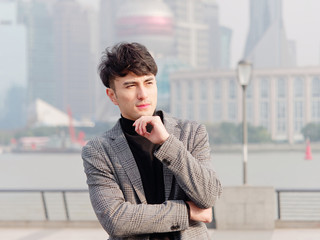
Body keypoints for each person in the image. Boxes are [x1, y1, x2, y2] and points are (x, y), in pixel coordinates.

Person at [82, 42, 222, 240]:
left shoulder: (191, 133)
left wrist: (166, 142)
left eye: (148, 82)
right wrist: (186, 212)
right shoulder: (99, 150)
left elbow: (208, 196)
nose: (143, 94)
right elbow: (115, 219)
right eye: (131, 85)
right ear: (112, 95)